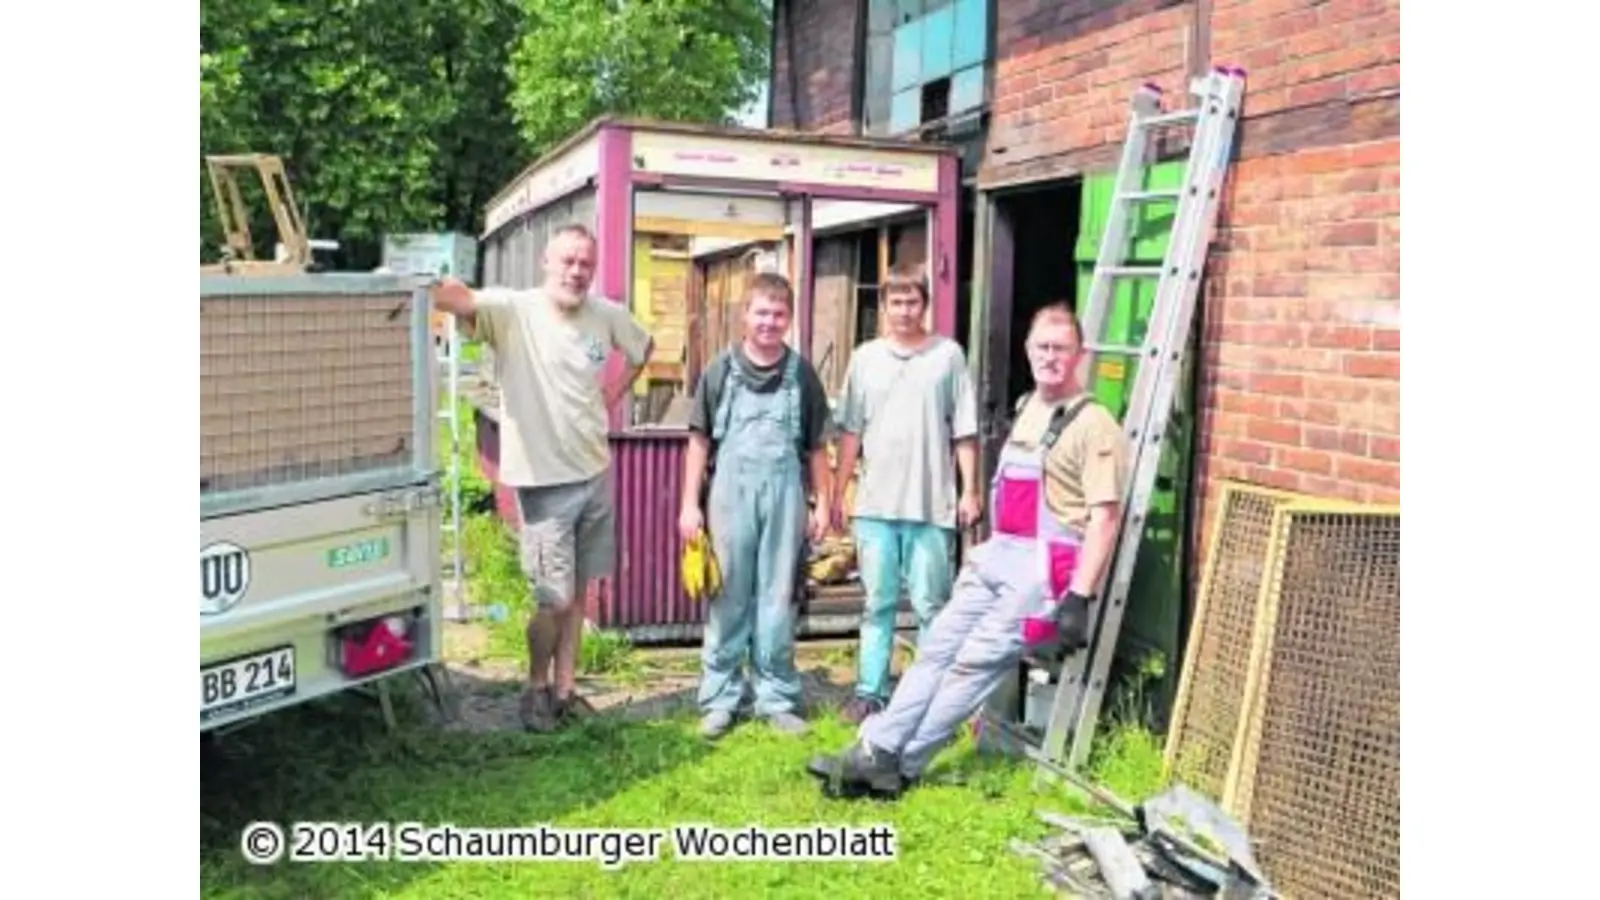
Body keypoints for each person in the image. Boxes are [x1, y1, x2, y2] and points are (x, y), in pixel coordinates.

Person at [807, 303, 1129, 797]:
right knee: (935, 647)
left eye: (1061, 349)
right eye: (1042, 347)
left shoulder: (1094, 423)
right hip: (1001, 554)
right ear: (1027, 351)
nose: (1050, 357)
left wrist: (1079, 599)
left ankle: (901, 764)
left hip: (1045, 570)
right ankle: (880, 750)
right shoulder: (1028, 408)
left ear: (1079, 355)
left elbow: (1106, 518)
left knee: (972, 665)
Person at [430, 224, 654, 733]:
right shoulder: (515, 310)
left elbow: (645, 348)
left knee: (578, 595)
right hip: (543, 480)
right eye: (568, 262)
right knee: (551, 598)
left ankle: (565, 691)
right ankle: (533, 689)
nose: (576, 272)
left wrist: (612, 396)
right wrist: (422, 283)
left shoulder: (607, 315)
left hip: (595, 470)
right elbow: (460, 300)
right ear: (547, 263)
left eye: (585, 265)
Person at [678, 272, 833, 740]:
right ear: (745, 315)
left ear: (789, 319)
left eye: (779, 314)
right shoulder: (720, 371)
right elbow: (699, 441)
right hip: (728, 493)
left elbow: (817, 449)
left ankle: (777, 697)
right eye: (761, 312)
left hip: (785, 494)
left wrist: (822, 503)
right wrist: (690, 504)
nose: (769, 322)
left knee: (777, 595)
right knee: (728, 595)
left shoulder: (801, 374)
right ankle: (720, 698)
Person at [831, 265, 981, 725]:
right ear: (884, 307)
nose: (903, 311)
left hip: (931, 505)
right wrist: (839, 493)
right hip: (876, 505)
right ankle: (869, 691)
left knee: (930, 606)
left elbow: (965, 431)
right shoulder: (865, 359)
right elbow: (851, 431)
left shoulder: (948, 357)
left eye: (912, 302)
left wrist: (970, 489)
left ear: (925, 305)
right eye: (895, 302)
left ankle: (927, 695)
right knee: (875, 604)